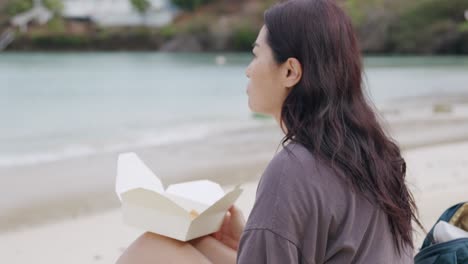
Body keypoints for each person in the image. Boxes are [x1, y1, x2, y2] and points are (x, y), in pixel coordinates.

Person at [116, 0, 423, 263]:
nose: (249, 69)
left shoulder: (295, 168)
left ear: (290, 71)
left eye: (255, 54)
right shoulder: (378, 154)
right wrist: (253, 237)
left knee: (150, 247)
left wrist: (265, 231)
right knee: (197, 243)